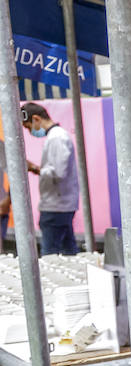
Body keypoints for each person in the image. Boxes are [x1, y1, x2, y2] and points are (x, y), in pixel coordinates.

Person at [21, 102, 79, 256]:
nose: (29, 131)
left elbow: (59, 172)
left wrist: (34, 168)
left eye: (28, 127)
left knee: (50, 255)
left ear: (36, 119)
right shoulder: (57, 136)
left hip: (56, 206)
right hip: (60, 204)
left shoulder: (57, 138)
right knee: (68, 252)